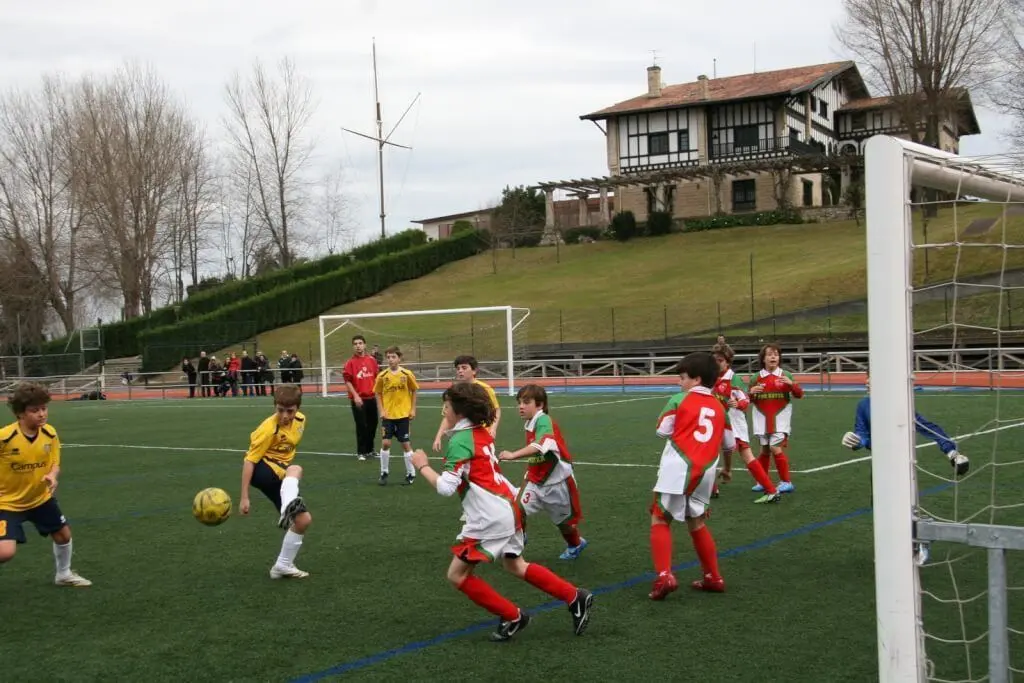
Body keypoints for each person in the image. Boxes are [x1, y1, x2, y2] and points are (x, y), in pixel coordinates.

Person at [409, 382, 593, 641]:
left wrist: (422, 465)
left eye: (446, 407)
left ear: (460, 411)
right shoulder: (481, 432)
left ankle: (513, 615)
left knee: (456, 575)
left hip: (491, 515)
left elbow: (446, 488)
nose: (444, 412)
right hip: (511, 505)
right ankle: (575, 596)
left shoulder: (461, 441)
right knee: (515, 564)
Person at [649, 352, 727, 600]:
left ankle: (664, 576)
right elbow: (728, 442)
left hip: (679, 466)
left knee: (660, 517)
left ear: (696, 379)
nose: (679, 382)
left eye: (682, 377)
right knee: (696, 521)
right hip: (706, 470)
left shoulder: (679, 399)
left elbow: (662, 430)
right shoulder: (719, 405)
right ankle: (713, 577)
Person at [0, 382, 91, 586]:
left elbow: (54, 463)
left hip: (40, 498)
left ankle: (63, 574)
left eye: (44, 408)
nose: (41, 414)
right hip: (7, 503)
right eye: (35, 410)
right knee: (5, 553)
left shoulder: (50, 433)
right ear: (20, 414)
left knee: (63, 534)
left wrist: (52, 475)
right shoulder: (5, 437)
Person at [499, 384, 588, 560]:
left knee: (565, 525)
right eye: (519, 402)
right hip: (536, 481)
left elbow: (541, 446)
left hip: (558, 484)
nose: (521, 406)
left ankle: (576, 544)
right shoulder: (530, 423)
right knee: (516, 510)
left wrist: (513, 455)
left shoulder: (543, 420)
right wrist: (527, 477)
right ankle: (519, 539)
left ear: (539, 405)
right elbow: (536, 456)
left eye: (526, 402)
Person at [239, 384, 312, 579]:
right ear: (274, 406)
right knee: (296, 469)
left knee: (303, 520)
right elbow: (249, 461)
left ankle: (282, 565)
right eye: (280, 410)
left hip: (279, 472)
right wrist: (244, 497)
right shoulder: (268, 429)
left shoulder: (301, 421)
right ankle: (287, 507)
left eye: (290, 411)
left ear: (298, 409)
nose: (285, 415)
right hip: (263, 470)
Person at [841, 373, 970, 476]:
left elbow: (929, 428)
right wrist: (856, 441)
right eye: (867, 376)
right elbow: (863, 435)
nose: (867, 382)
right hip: (879, 465)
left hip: (903, 464)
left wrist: (952, 453)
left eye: (872, 376)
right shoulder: (863, 405)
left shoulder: (900, 406)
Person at [712, 344, 780, 504]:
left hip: (735, 425)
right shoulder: (714, 378)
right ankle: (713, 487)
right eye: (714, 360)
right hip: (720, 424)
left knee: (746, 456)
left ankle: (771, 490)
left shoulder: (733, 379)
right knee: (711, 454)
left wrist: (739, 404)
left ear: (727, 362)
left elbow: (745, 399)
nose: (716, 363)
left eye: (720, 360)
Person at [749, 344, 802, 495]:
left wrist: (792, 385)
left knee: (774, 447)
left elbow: (799, 394)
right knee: (764, 449)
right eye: (770, 354)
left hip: (780, 417)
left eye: (776, 354)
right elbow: (748, 399)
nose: (773, 357)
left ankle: (786, 482)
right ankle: (763, 480)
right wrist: (751, 393)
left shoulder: (786, 376)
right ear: (763, 359)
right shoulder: (756, 378)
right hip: (761, 416)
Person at [432, 355, 501, 452]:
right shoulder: (454, 392)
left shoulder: (485, 389)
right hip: (461, 435)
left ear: (474, 371)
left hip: (481, 435)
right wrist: (438, 437)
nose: (460, 371)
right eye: (458, 368)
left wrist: (493, 428)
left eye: (464, 368)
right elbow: (447, 416)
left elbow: (496, 410)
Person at [373, 346, 420, 486]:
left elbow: (414, 390)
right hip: (388, 416)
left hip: (403, 415)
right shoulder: (382, 376)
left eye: (393, 357)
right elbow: (378, 393)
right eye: (388, 357)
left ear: (399, 358)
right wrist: (381, 410)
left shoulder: (406, 374)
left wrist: (413, 409)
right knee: (386, 443)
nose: (390, 359)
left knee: (405, 444)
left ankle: (411, 473)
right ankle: (384, 472)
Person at [343, 335, 380, 460]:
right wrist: (355, 396)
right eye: (355, 344)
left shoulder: (372, 360)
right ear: (353, 346)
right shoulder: (350, 363)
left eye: (360, 343)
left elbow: (377, 377)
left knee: (373, 424)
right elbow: (347, 381)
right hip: (358, 399)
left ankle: (370, 450)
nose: (358, 345)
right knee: (361, 425)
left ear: (365, 345)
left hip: (371, 397)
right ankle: (361, 452)